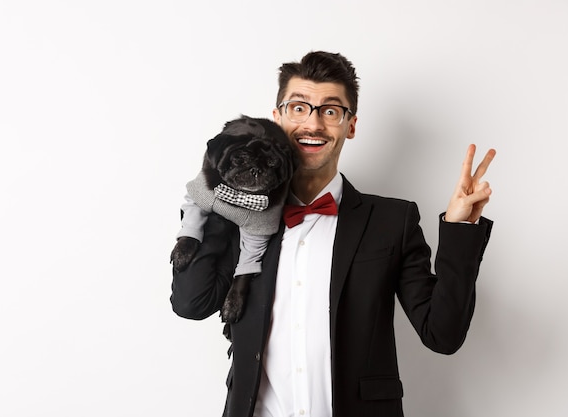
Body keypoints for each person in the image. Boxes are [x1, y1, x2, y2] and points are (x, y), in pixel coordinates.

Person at [171, 51, 495, 417]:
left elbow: (443, 335)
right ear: (277, 118)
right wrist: (211, 194)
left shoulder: (393, 220)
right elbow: (191, 304)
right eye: (298, 108)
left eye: (330, 110)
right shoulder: (243, 212)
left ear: (350, 125)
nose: (313, 123)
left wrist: (459, 229)